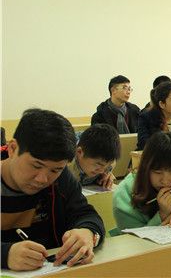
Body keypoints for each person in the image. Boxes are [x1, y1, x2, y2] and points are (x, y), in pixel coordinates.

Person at [1, 109, 105, 271]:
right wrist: (5, 254)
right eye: (36, 165)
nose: (43, 179)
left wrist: (88, 232)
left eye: (55, 170)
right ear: (12, 149)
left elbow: (86, 214)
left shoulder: (61, 179)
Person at [68, 124, 120, 189]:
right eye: (98, 164)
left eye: (107, 166)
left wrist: (108, 175)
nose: (101, 171)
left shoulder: (110, 163)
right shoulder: (64, 160)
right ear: (79, 152)